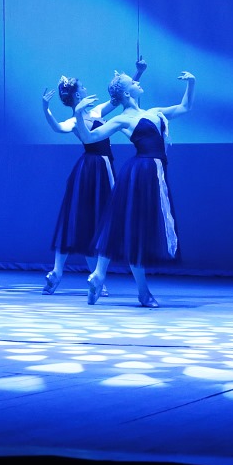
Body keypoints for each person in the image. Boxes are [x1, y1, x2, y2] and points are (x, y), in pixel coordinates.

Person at [74, 68, 195, 308]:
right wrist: (78, 113)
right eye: (133, 82)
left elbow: (185, 107)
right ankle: (141, 292)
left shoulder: (154, 112)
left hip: (151, 172)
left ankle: (100, 275)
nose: (138, 83)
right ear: (128, 93)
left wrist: (191, 83)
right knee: (136, 230)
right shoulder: (122, 119)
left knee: (129, 227)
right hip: (142, 173)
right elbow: (89, 138)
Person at [40, 56, 146, 296]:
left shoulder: (97, 110)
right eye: (83, 87)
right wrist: (46, 109)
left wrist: (138, 74)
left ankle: (80, 275)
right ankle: (60, 271)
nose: (87, 88)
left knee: (93, 221)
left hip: (98, 167)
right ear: (78, 95)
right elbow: (58, 128)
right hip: (92, 169)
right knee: (85, 219)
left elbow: (120, 98)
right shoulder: (73, 120)